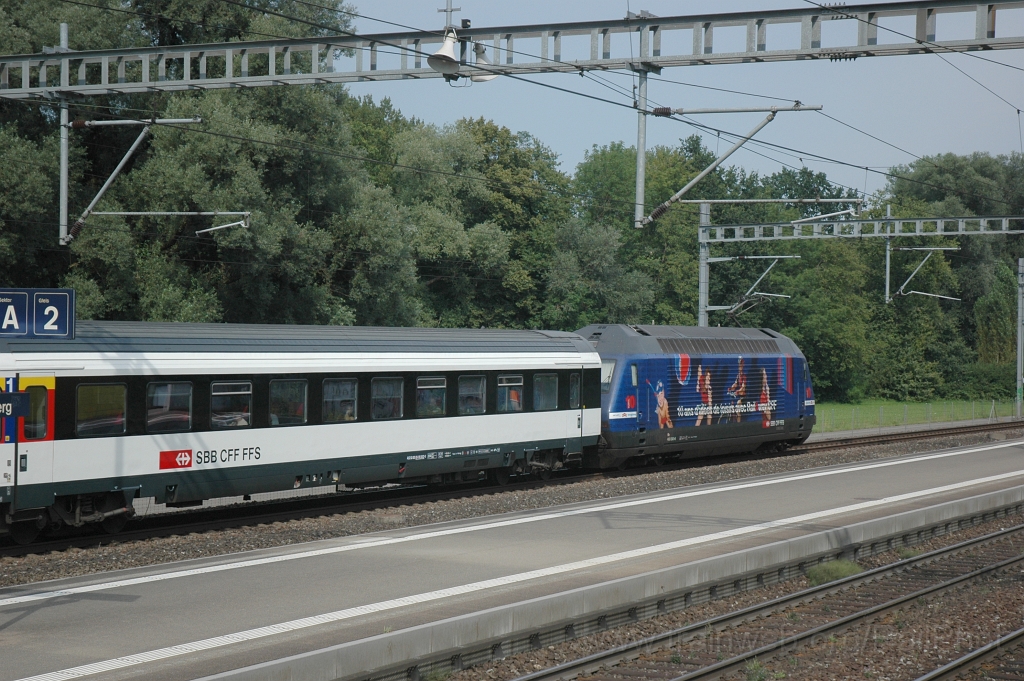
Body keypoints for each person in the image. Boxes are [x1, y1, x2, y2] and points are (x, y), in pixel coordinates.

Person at [724, 356, 747, 423]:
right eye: (739, 365)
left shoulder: (744, 376)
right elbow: (735, 384)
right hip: (738, 396)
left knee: (737, 410)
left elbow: (743, 388)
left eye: (741, 364)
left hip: (743, 397)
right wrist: (731, 388)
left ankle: (739, 424)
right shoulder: (738, 375)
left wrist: (737, 391)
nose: (739, 366)